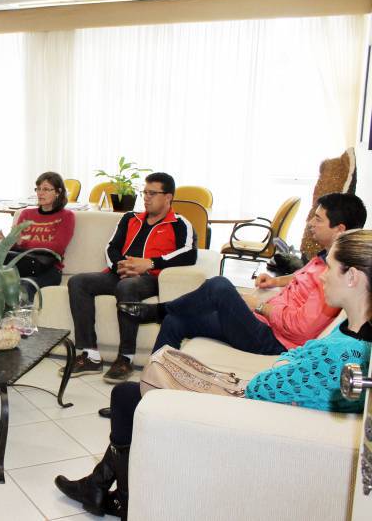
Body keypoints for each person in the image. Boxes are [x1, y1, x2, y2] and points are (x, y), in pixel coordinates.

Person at [55, 228, 372, 519]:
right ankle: (99, 487)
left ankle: (123, 499)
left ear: (353, 277)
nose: (322, 277)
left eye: (330, 268)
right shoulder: (353, 331)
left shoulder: (346, 355)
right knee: (167, 354)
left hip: (245, 410)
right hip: (253, 397)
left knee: (125, 395)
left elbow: (278, 390)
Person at [119, 193, 368, 357]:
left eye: (318, 219)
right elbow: (300, 278)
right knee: (177, 321)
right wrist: (275, 281)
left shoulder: (337, 277)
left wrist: (260, 306)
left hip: (275, 342)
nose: (310, 224)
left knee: (219, 286)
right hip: (264, 326)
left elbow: (301, 330)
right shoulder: (324, 260)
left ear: (340, 228)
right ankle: (151, 391)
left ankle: (158, 311)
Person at [66, 172, 197, 382]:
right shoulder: (130, 218)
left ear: (168, 197)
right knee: (78, 281)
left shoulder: (180, 224)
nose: (146, 197)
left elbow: (189, 253)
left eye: (152, 193)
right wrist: (122, 266)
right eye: (144, 192)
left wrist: (150, 263)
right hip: (120, 273)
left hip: (150, 279)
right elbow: (111, 247)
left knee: (127, 287)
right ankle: (90, 354)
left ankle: (125, 359)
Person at [0, 171, 75, 300]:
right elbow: (17, 246)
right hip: (23, 264)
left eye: (46, 189)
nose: (40, 193)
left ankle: (23, 320)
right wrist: (6, 241)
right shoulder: (26, 214)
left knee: (25, 286)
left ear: (58, 192)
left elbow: (57, 247)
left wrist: (24, 242)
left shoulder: (66, 216)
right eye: (38, 188)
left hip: (49, 269)